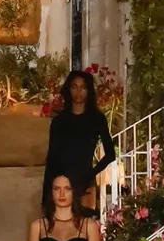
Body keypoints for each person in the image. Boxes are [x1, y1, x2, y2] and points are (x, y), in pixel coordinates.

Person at [42, 67, 116, 217]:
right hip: (61, 185)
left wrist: (90, 174)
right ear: (68, 90)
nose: (78, 92)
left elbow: (111, 154)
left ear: (89, 91)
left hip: (85, 185)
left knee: (85, 227)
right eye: (74, 87)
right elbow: (51, 159)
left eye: (83, 87)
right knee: (62, 228)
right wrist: (45, 197)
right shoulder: (59, 122)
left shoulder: (97, 119)